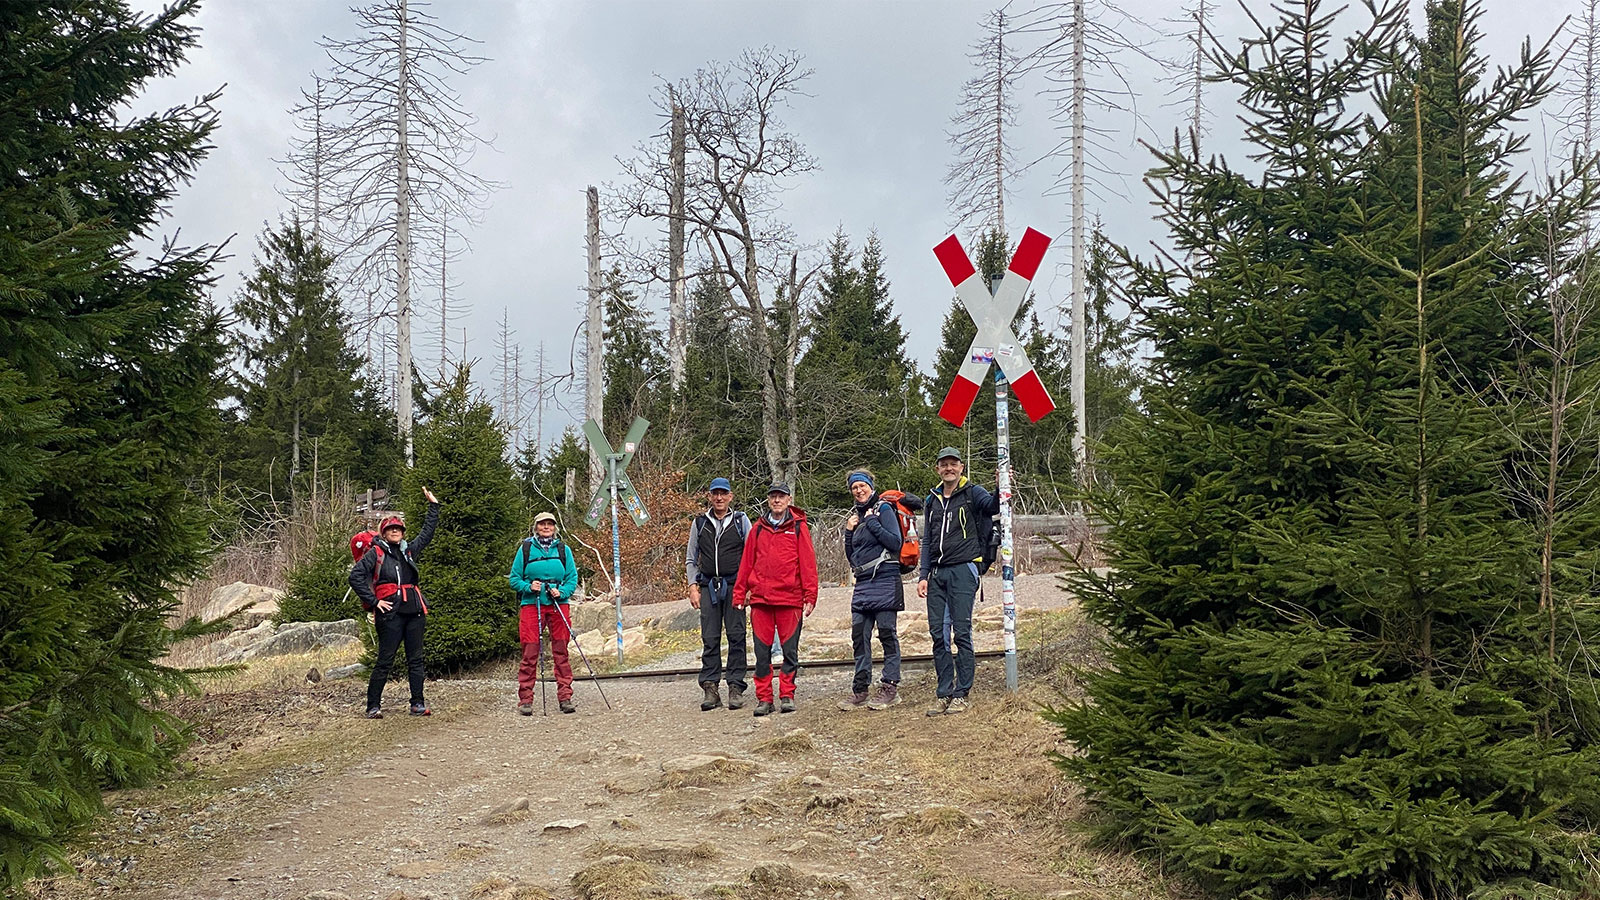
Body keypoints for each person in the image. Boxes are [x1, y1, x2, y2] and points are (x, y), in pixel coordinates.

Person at [916, 447, 999, 716]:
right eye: (944, 465)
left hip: (964, 570)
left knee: (961, 633)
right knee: (938, 634)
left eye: (953, 464)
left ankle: (962, 693)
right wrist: (923, 575)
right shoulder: (932, 499)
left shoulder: (974, 493)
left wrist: (1001, 486)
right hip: (937, 574)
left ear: (961, 467)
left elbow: (994, 507)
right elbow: (928, 539)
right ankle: (944, 693)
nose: (948, 468)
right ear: (937, 469)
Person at [349, 487, 441, 719]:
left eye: (398, 529)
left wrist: (434, 506)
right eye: (391, 529)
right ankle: (372, 706)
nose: (395, 532)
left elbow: (427, 533)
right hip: (390, 613)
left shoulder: (409, 551)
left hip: (414, 612)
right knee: (385, 660)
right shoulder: (376, 554)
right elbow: (355, 577)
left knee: (416, 659)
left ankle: (417, 704)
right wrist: (373, 602)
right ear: (384, 532)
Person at [731, 483, 818, 716]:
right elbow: (746, 563)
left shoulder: (799, 528)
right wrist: (739, 593)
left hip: (790, 600)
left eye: (781, 497)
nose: (777, 501)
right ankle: (764, 698)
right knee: (762, 653)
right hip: (761, 601)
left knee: (790, 652)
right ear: (768, 501)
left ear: (789, 499)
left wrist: (810, 595)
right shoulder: (758, 528)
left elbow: (808, 563)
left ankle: (787, 695)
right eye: (773, 497)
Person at [837, 469, 904, 712]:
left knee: (887, 633)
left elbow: (895, 542)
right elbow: (852, 556)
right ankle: (860, 689)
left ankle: (890, 687)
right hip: (864, 583)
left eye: (862, 485)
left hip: (886, 579)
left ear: (870, 486)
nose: (858, 490)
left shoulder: (883, 510)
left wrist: (873, 522)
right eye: (854, 487)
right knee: (859, 636)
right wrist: (848, 532)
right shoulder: (857, 516)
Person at [685, 477, 752, 711]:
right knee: (710, 638)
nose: (719, 498)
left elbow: (751, 556)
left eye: (723, 493)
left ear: (730, 496)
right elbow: (691, 558)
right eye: (715, 493)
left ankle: (735, 687)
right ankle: (711, 688)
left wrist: (748, 587)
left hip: (735, 586)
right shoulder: (700, 523)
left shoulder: (741, 521)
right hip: (708, 587)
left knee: (736, 636)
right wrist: (693, 587)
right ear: (709, 496)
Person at [507, 512, 581, 715]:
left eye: (550, 524)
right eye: (542, 524)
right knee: (530, 652)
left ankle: (565, 697)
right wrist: (529, 586)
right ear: (536, 527)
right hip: (532, 604)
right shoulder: (526, 549)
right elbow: (514, 580)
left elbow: (572, 578)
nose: (546, 527)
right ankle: (525, 700)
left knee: (561, 651)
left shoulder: (563, 550)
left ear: (555, 527)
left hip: (558, 604)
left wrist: (562, 591)